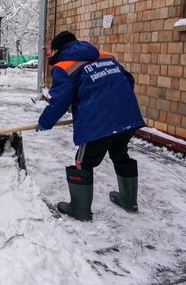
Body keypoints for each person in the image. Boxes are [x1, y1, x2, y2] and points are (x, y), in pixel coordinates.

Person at [36, 31, 145, 222]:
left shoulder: (64, 67)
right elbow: (128, 80)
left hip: (99, 121)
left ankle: (80, 209)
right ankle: (129, 201)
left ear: (58, 49)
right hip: (127, 115)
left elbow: (60, 101)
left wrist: (44, 122)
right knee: (121, 154)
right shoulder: (106, 56)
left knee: (83, 162)